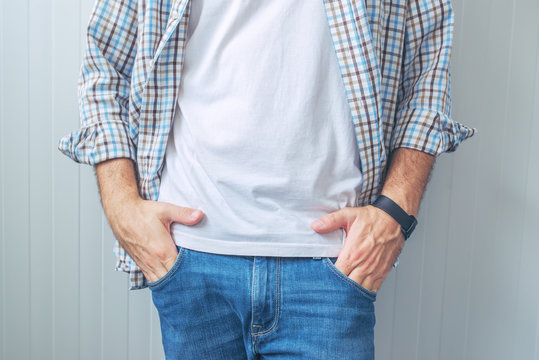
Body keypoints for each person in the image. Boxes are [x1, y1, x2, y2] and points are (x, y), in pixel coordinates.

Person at [58, 0, 476, 358]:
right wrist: (122, 207)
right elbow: (106, 63)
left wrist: (395, 213)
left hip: (334, 268)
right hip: (190, 258)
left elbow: (428, 65)